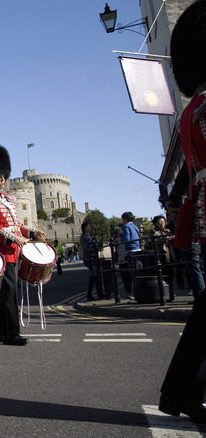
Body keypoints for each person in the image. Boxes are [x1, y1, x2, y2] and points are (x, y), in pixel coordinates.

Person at [159, 2, 206, 424]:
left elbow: (193, 186)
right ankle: (180, 388)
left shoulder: (193, 110)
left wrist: (181, 236)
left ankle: (180, 388)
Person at [0, 145, 44, 346]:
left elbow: (16, 225)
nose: (2, 178)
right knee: (10, 291)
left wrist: (31, 233)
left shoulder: (8, 199)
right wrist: (14, 238)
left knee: (10, 292)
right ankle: (11, 332)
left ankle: (2, 331)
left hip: (12, 250)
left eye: (4, 174)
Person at [147, 215, 176, 302]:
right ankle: (162, 295)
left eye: (163, 222)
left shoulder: (167, 231)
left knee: (170, 274)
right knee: (161, 276)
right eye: (160, 222)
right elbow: (152, 242)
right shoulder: (154, 232)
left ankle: (171, 294)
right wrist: (164, 238)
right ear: (156, 223)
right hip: (159, 256)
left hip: (168, 256)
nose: (162, 224)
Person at [80, 222, 103, 301]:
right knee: (94, 275)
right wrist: (94, 249)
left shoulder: (93, 236)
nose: (90, 227)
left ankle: (97, 294)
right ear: (85, 228)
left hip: (95, 258)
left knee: (95, 276)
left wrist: (99, 245)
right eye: (88, 226)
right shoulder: (83, 237)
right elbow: (86, 248)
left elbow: (97, 245)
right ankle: (92, 295)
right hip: (89, 259)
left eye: (90, 226)